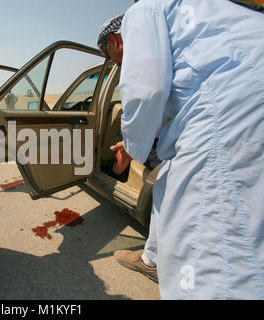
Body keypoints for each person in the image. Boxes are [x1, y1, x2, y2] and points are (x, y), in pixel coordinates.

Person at [103, 0, 264, 299]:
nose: (116, 65)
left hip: (225, 118)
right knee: (172, 187)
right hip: (246, 102)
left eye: (113, 59)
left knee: (211, 258)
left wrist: (131, 148)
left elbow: (145, 91)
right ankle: (152, 258)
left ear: (115, 41)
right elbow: (174, 96)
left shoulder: (144, 10)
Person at [98, 14, 160, 284]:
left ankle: (153, 261)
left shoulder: (137, 67)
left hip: (179, 146)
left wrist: (128, 149)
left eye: (109, 54)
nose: (113, 60)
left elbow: (143, 112)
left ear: (115, 41)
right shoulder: (162, 49)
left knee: (166, 190)